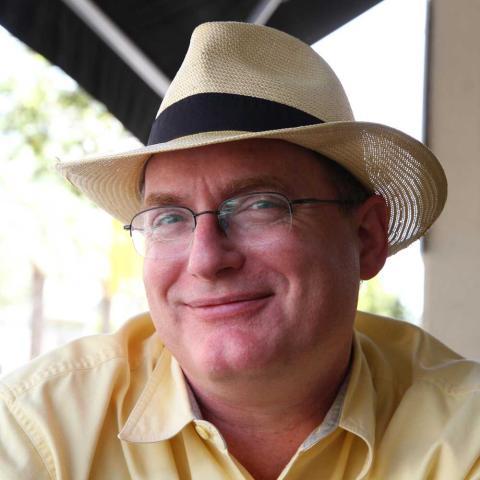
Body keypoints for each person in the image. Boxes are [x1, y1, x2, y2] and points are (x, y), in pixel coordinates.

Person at [1, 21, 479, 480]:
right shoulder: (38, 431)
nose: (206, 260)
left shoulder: (464, 432)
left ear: (367, 238)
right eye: (169, 217)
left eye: (259, 205)